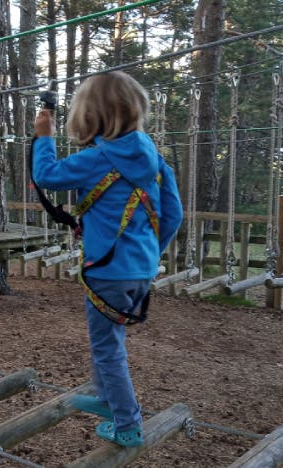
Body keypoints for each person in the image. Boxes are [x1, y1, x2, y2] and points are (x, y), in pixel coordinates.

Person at [31, 71, 183, 447]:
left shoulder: (96, 158)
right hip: (141, 270)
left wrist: (44, 135)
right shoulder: (155, 159)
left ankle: (128, 424)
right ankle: (106, 398)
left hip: (107, 272)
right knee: (106, 341)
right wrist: (146, 255)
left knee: (107, 347)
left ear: (89, 115)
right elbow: (173, 215)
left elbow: (45, 174)